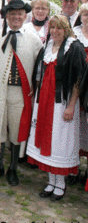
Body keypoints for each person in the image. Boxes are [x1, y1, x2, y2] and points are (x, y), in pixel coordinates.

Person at [0, 0, 43, 186]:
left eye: (19, 14)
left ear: (25, 16)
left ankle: (13, 168)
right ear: (7, 16)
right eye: (12, 14)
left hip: (21, 93)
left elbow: (40, 68)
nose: (16, 17)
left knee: (17, 130)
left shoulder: (33, 40)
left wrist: (36, 88)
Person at [27, 15, 86, 200]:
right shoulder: (47, 46)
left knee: (59, 141)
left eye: (59, 28)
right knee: (46, 138)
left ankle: (60, 184)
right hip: (44, 100)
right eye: (52, 27)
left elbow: (78, 80)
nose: (55, 31)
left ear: (66, 28)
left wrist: (70, 106)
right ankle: (51, 181)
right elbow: (39, 72)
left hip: (62, 103)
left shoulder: (73, 48)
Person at [71, 3, 88, 185]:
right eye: (85, 15)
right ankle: (72, 168)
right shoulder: (74, 35)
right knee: (75, 128)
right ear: (80, 16)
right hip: (75, 85)